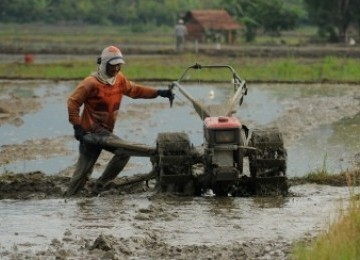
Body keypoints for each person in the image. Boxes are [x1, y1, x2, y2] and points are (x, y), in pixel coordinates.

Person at [64, 45, 173, 196]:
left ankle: (100, 186)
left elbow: (135, 90)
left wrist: (159, 93)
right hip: (90, 133)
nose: (116, 69)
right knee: (82, 173)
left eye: (119, 65)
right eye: (113, 66)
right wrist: (77, 127)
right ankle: (68, 199)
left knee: (123, 152)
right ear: (104, 64)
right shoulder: (91, 83)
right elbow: (72, 102)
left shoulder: (119, 80)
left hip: (106, 133)